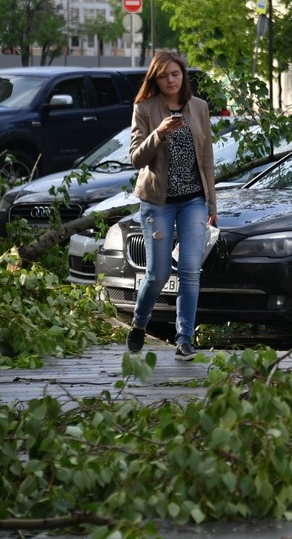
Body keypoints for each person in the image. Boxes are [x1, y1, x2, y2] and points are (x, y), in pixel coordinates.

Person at [125, 51, 217, 360]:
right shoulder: (144, 109)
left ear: (183, 76)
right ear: (156, 79)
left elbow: (207, 159)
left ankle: (185, 339)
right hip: (158, 203)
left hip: (193, 201)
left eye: (175, 74)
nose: (170, 80)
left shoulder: (199, 108)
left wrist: (212, 204)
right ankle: (139, 323)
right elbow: (137, 157)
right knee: (158, 273)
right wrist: (159, 133)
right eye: (164, 76)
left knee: (191, 269)